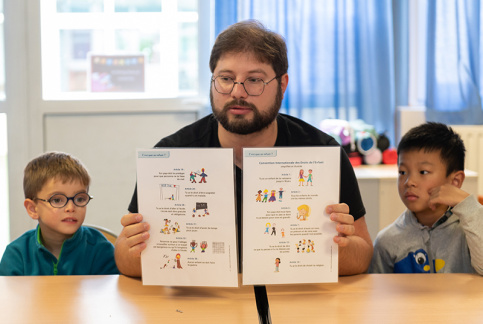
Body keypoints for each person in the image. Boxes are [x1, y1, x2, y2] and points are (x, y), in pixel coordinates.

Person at [115, 20, 373, 277]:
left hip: (293, 298)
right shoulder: (171, 156)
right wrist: (132, 246)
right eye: (226, 78)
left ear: (282, 85)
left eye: (254, 80)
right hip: (200, 302)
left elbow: (361, 258)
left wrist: (341, 245)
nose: (238, 92)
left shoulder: (321, 154)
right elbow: (125, 261)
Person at [369, 122, 483, 274]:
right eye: (402, 172)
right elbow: (376, 292)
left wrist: (467, 204)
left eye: (423, 172)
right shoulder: (387, 241)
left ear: (455, 181)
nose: (409, 182)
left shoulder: (470, 232)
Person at [0, 152, 119, 275]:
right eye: (57, 200)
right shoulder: (17, 254)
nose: (71, 208)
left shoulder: (100, 248)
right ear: (33, 209)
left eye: (79, 199)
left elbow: (112, 293)